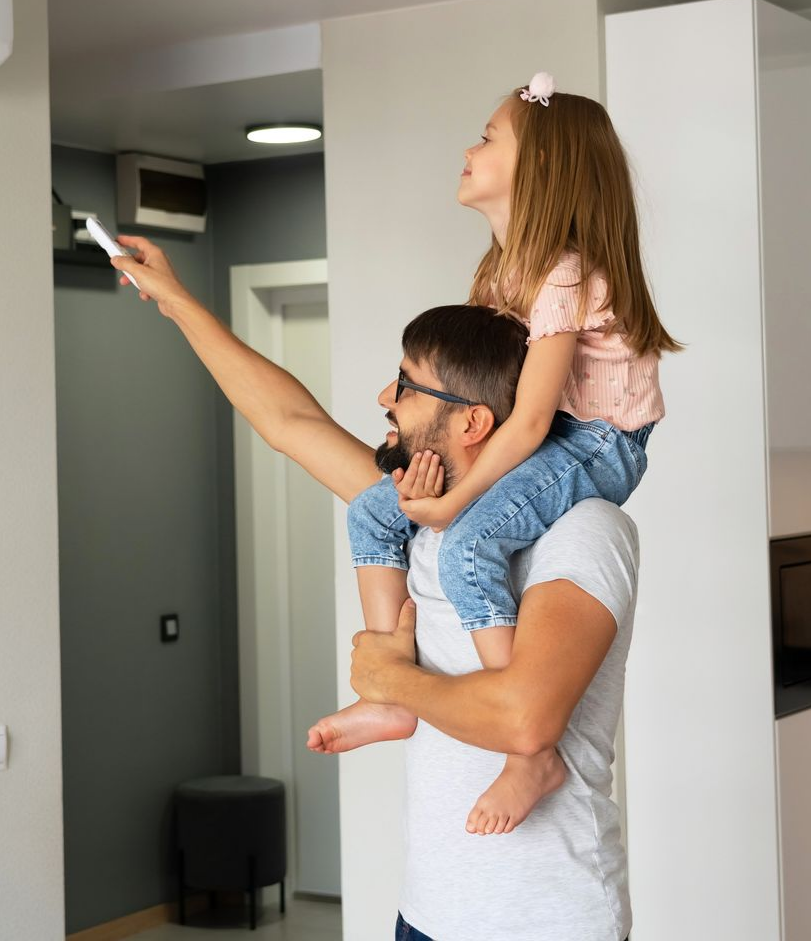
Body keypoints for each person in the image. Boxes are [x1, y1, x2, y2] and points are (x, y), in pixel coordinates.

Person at [104, 239, 637, 941]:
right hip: (427, 915)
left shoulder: (584, 530)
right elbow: (291, 424)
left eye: (407, 386)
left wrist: (391, 681)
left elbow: (525, 721)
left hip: (544, 922)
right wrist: (175, 300)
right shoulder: (426, 512)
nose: (386, 399)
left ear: (473, 422)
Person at [317, 71, 678, 836]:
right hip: (544, 431)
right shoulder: (499, 273)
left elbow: (529, 420)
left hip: (598, 441)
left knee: (471, 540)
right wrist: (413, 417)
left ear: (539, 169)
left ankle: (529, 750)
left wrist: (452, 502)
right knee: (377, 513)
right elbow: (486, 397)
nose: (468, 148)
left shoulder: (564, 274)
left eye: (488, 137)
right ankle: (389, 691)